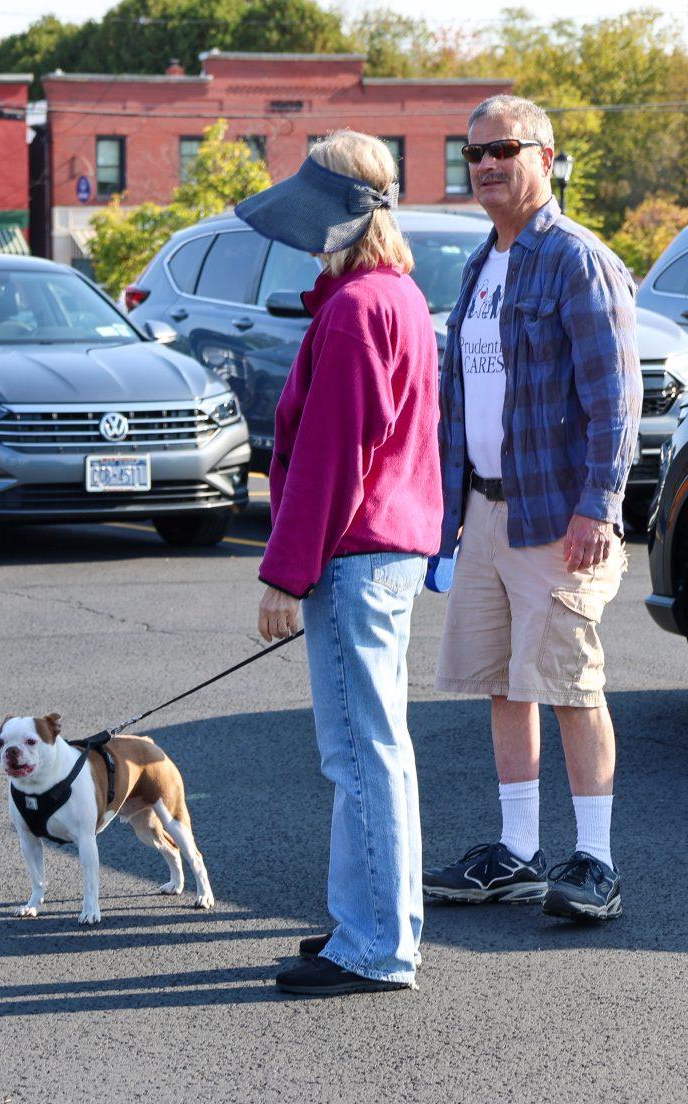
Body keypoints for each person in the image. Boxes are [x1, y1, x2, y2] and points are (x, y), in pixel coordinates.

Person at [424, 95, 641, 921]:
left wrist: (597, 506)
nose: (485, 164)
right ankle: (516, 853)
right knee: (501, 683)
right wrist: (448, 511)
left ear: (544, 159)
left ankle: (596, 864)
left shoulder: (575, 259)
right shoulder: (482, 264)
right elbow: (461, 399)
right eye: (473, 152)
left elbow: (614, 400)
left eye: (503, 149)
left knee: (569, 685)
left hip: (555, 514)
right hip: (484, 511)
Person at [236, 131, 443, 995]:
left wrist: (284, 574)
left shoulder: (359, 308)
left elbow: (332, 456)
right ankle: (372, 924)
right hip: (384, 550)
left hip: (356, 555)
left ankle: (376, 946)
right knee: (373, 751)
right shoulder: (394, 296)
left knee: (360, 756)